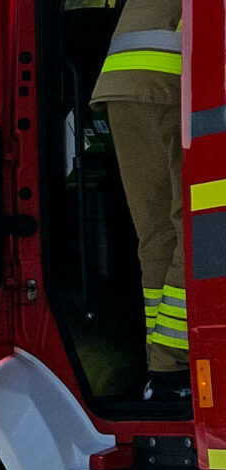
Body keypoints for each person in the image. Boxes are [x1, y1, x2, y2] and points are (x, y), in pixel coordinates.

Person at [90, 0, 186, 399]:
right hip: (179, 82)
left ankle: (161, 371)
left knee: (157, 230)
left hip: (121, 85)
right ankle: (174, 361)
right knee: (200, 224)